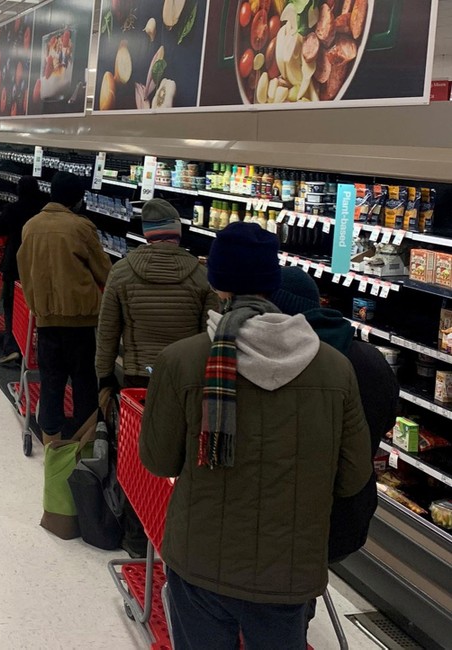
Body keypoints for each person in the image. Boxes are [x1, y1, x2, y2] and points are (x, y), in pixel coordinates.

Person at [139, 222, 372, 648]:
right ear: (273, 280)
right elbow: (354, 475)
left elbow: (158, 459)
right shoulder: (334, 368)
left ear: (217, 282)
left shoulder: (182, 360)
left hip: (200, 560)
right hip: (290, 570)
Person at [270, 268, 398, 565]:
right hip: (349, 516)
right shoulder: (369, 359)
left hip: (291, 520)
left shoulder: (281, 363)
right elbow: (386, 421)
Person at [17, 171, 112, 441]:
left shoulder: (31, 226)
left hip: (46, 320)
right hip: (80, 321)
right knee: (83, 383)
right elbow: (104, 272)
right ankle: (84, 446)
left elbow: (24, 270)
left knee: (51, 383)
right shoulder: (81, 227)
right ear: (78, 198)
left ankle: (52, 445)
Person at [97, 198, 219, 389]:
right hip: (185, 377)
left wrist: (104, 375)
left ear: (147, 234)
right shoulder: (202, 276)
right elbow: (209, 335)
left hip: (139, 375)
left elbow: (108, 329)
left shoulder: (121, 271)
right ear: (177, 232)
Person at [0, 176, 46, 365]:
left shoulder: (13, 209)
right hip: (38, 267)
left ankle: (13, 348)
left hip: (14, 265)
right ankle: (36, 349)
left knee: (11, 306)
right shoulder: (43, 211)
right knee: (37, 309)